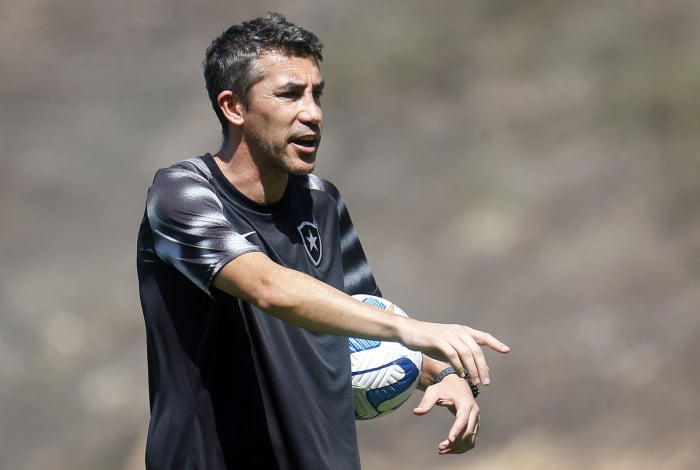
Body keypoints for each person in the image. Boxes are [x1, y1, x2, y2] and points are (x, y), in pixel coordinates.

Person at [137, 12, 509, 470]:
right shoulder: (181, 196)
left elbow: (365, 324)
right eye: (290, 94)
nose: (311, 112)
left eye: (317, 94)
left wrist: (441, 372)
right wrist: (414, 330)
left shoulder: (322, 203)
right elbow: (266, 287)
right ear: (234, 107)